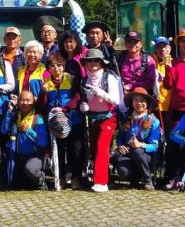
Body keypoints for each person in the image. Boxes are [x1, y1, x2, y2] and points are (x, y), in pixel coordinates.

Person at [80, 48, 122, 192]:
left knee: (102, 148)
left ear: (101, 63)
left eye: (96, 61)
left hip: (108, 118)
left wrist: (100, 92)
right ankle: (107, 179)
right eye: (89, 61)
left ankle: (100, 182)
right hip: (92, 118)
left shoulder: (109, 77)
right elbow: (84, 99)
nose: (93, 64)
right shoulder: (84, 80)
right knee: (94, 149)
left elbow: (115, 100)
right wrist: (83, 105)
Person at [41, 51, 84, 189]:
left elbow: (77, 97)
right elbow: (42, 104)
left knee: (75, 150)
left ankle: (76, 177)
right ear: (48, 68)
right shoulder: (46, 83)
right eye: (52, 65)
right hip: (55, 123)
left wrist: (64, 108)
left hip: (73, 120)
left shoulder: (71, 79)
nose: (56, 68)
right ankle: (60, 177)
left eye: (59, 65)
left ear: (63, 66)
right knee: (58, 150)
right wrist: (43, 92)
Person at [111, 87, 162, 190]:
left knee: (137, 151)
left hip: (145, 155)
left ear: (147, 103)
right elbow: (119, 137)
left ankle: (148, 180)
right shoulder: (126, 118)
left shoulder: (154, 121)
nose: (139, 103)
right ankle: (135, 178)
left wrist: (140, 145)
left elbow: (155, 146)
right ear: (132, 102)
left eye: (142, 100)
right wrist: (120, 146)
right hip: (127, 153)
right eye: (136, 100)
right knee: (124, 173)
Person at [1, 89, 50, 190]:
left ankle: (41, 181)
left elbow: (44, 142)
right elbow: (4, 130)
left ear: (33, 102)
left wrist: (29, 130)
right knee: (15, 183)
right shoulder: (15, 115)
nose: (25, 103)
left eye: (28, 100)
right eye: (22, 100)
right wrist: (10, 111)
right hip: (18, 156)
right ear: (18, 101)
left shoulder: (38, 118)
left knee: (30, 168)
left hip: (35, 156)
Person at [118, 31, 158, 98]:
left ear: (141, 44)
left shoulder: (148, 60)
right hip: (123, 97)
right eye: (129, 42)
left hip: (142, 98)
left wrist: (131, 86)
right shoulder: (121, 59)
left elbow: (150, 83)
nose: (132, 44)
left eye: (135, 42)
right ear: (125, 44)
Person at [15, 40, 47, 107]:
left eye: (35, 52)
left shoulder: (45, 70)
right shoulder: (21, 70)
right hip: (22, 106)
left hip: (38, 106)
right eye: (29, 52)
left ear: (40, 55)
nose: (32, 55)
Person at [152, 36, 173, 129]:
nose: (163, 49)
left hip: (170, 105)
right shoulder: (150, 62)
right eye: (159, 47)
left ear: (170, 48)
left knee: (169, 134)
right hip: (154, 105)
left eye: (165, 47)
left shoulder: (174, 63)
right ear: (155, 49)